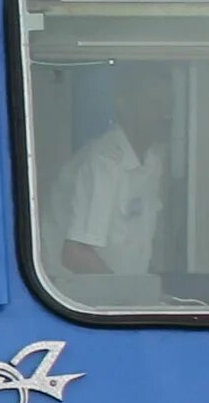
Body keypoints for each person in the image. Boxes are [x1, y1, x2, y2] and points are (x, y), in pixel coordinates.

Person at [49, 65, 174, 278]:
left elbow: (134, 249)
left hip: (121, 298)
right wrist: (127, 298)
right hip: (73, 302)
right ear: (124, 105)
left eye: (169, 105)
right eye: (154, 104)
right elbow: (75, 254)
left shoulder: (152, 162)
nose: (165, 115)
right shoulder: (102, 162)